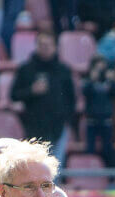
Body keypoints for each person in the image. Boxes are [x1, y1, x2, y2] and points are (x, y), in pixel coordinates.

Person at [10, 31, 76, 160]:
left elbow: (71, 98)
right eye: (41, 44)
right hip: (34, 127)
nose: (44, 48)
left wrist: (65, 120)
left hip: (58, 126)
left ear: (55, 47)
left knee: (56, 167)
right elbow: (14, 95)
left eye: (48, 45)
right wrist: (31, 91)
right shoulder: (26, 69)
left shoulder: (63, 70)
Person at [82, 56, 115, 167]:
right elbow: (85, 92)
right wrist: (92, 80)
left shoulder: (109, 83)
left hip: (106, 120)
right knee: (90, 150)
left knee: (108, 149)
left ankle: (110, 178)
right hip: (91, 120)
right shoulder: (89, 82)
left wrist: (112, 81)